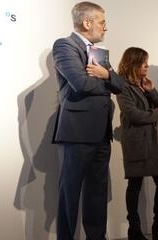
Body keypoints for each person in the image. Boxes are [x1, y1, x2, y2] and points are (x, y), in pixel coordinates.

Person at [52, 2, 125, 239]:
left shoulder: (99, 54)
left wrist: (106, 75)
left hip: (101, 134)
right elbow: (80, 83)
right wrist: (108, 81)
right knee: (69, 195)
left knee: (97, 195)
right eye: (102, 22)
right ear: (87, 23)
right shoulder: (64, 46)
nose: (106, 28)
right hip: (77, 133)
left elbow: (121, 86)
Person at [116, 47, 158, 240]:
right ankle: (134, 229)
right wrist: (155, 114)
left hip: (155, 144)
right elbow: (132, 114)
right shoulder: (122, 86)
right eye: (144, 63)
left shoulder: (144, 84)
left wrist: (151, 90)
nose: (147, 66)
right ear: (133, 63)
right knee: (135, 185)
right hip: (137, 143)